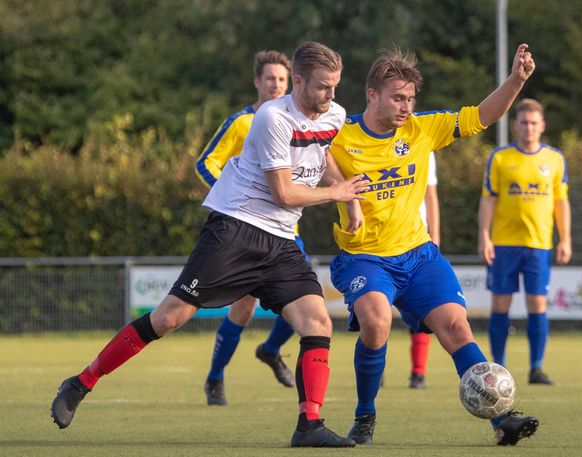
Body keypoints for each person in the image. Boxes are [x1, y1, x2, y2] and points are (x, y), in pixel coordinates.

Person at [50, 41, 368, 448]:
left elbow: (321, 154)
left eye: (336, 87)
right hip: (235, 228)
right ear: (300, 81)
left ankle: (309, 425)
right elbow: (284, 194)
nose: (332, 96)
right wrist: (338, 194)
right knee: (167, 319)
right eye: (324, 87)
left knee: (317, 321)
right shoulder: (272, 117)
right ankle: (81, 382)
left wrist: (348, 197)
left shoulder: (334, 114)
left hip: (281, 240)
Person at [328, 44, 540, 446]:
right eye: (397, 97)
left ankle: (502, 420)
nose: (406, 106)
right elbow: (310, 153)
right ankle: (365, 415)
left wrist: (516, 80)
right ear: (372, 95)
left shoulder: (423, 128)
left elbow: (482, 116)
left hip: (419, 255)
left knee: (458, 327)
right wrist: (344, 194)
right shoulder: (341, 134)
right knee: (376, 323)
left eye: (410, 98)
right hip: (366, 257)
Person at [195, 50, 300, 406]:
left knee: (306, 302)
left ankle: (270, 349)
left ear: (291, 83)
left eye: (282, 80)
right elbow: (205, 162)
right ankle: (215, 378)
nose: (276, 85)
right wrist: (229, 192)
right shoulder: (241, 122)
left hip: (285, 231)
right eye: (270, 78)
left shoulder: (297, 122)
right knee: (241, 310)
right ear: (257, 81)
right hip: (245, 229)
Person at [477, 98, 571, 386]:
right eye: (523, 122)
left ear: (542, 126)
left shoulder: (554, 159)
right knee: (501, 305)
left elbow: (560, 202)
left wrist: (565, 238)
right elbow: (488, 199)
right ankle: (499, 368)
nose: (528, 128)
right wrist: (484, 235)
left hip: (539, 245)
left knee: (537, 305)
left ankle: (536, 368)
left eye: (534, 123)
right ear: (515, 125)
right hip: (504, 244)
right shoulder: (501, 158)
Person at [408, 151, 440, 390]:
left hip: (417, 241)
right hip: (377, 241)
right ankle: (375, 370)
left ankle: (418, 372)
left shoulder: (423, 143)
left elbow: (430, 195)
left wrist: (435, 238)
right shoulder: (364, 138)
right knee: (376, 314)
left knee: (421, 310)